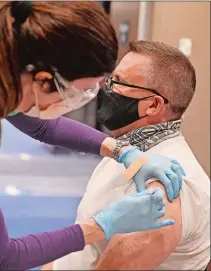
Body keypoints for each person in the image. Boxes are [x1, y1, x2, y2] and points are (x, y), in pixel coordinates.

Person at [0, 2, 184, 270]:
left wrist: (123, 151)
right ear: (42, 80)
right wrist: (103, 225)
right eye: (79, 92)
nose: (82, 100)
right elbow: (3, 257)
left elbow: (42, 126)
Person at [47, 41, 210, 271]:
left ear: (153, 105)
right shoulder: (129, 150)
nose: (107, 88)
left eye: (119, 82)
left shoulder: (165, 188)